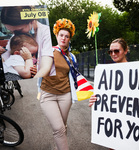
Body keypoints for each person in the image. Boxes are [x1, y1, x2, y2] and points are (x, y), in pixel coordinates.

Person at [39, 18, 77, 150]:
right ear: (56, 35)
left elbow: (73, 76)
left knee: (62, 126)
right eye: (61, 35)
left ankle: (58, 147)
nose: (64, 38)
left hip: (65, 95)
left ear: (69, 38)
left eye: (67, 36)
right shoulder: (47, 51)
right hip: (48, 95)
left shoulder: (71, 57)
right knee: (59, 128)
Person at [0, 6, 54, 78]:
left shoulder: (46, 33)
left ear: (31, 21)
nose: (14, 34)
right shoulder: (15, 38)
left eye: (18, 30)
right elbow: (6, 59)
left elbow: (45, 68)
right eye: (11, 31)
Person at [89, 38, 129, 105]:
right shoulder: (107, 72)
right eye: (110, 52)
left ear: (125, 51)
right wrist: (95, 99)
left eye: (116, 51)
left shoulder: (134, 71)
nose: (113, 54)